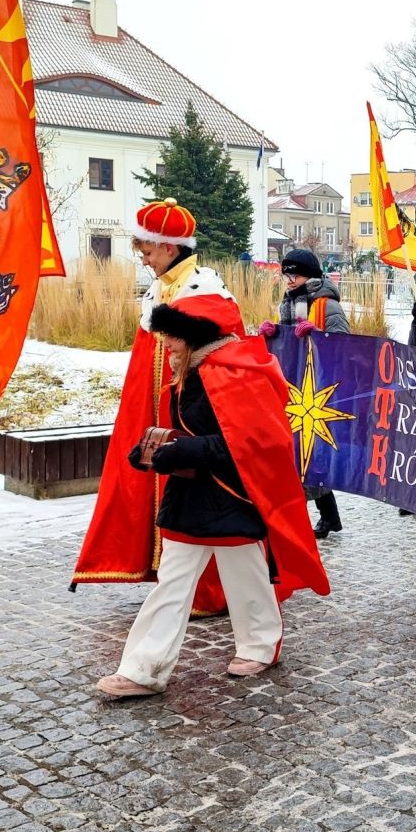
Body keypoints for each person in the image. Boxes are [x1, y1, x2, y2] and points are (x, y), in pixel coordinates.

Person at [95, 294, 329, 698]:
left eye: (172, 334)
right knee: (172, 583)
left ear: (195, 335)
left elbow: (253, 441)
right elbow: (193, 431)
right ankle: (142, 669)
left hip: (235, 494)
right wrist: (154, 449)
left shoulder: (237, 371)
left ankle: (260, 644)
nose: (165, 342)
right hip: (192, 495)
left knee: (247, 578)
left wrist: (187, 451)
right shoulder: (189, 370)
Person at [73, 199, 240, 617]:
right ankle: (169, 579)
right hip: (157, 412)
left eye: (148, 252)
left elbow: (223, 348)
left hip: (192, 414)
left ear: (169, 247)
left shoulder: (204, 288)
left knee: (196, 495)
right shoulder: (161, 289)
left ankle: (208, 591)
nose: (145, 260)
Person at [260, 248, 350, 540]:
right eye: (286, 274)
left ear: (308, 275)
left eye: (294, 274)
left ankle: (299, 520)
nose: (288, 279)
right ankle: (328, 516)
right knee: (300, 451)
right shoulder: (287, 303)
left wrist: (319, 336)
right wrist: (273, 334)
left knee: (311, 453)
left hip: (320, 388)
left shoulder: (327, 306)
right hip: (294, 386)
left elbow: (345, 345)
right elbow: (288, 346)